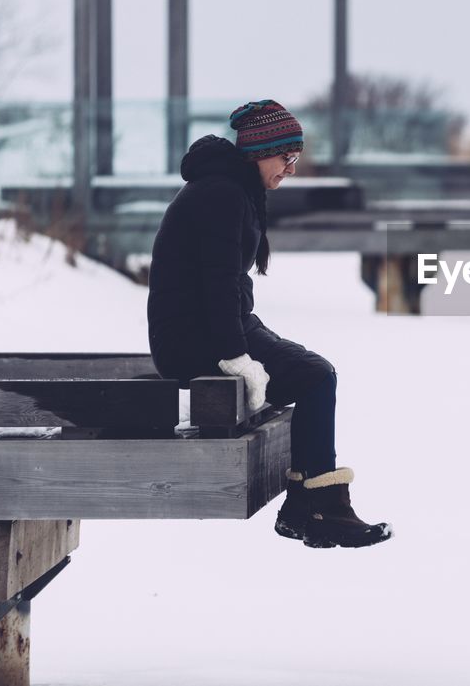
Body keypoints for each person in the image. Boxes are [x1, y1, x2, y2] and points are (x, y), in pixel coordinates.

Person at [146, 99, 391, 549]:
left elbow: (225, 287)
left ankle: (311, 506)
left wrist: (243, 336)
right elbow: (216, 285)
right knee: (316, 377)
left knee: (314, 371)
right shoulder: (221, 194)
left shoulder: (231, 188)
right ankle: (317, 508)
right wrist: (236, 355)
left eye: (295, 160)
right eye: (287, 158)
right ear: (261, 151)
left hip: (209, 326)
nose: (291, 169)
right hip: (192, 338)